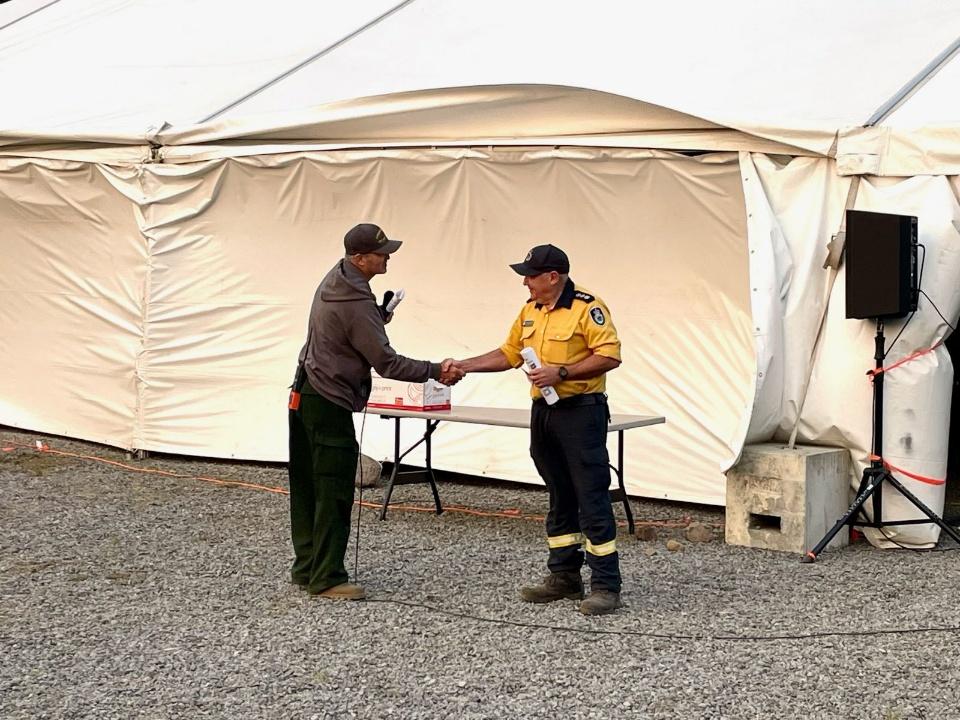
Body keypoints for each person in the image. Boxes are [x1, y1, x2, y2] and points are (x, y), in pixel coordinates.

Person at [288, 223, 462, 600]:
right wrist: (436, 371)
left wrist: (377, 319)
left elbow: (349, 332)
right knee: (334, 489)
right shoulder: (356, 301)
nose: (388, 257)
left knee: (306, 486)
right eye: (382, 253)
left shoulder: (336, 280)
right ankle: (328, 578)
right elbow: (387, 363)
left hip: (304, 392)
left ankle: (306, 567)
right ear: (360, 258)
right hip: (328, 399)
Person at [454, 244, 623, 615]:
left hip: (580, 412)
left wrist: (560, 372)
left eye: (530, 276)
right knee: (559, 492)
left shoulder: (587, 307)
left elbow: (609, 355)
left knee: (590, 494)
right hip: (544, 412)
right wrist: (462, 365)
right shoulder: (530, 311)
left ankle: (606, 585)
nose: (525, 283)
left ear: (553, 276)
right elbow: (507, 354)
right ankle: (564, 576)